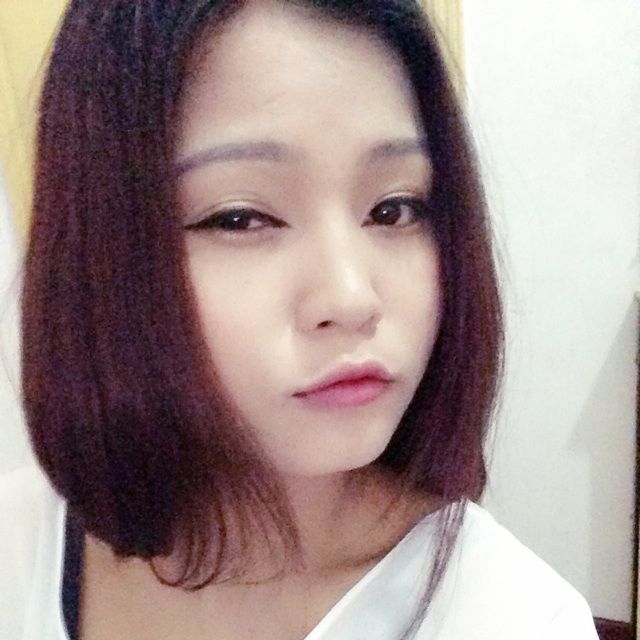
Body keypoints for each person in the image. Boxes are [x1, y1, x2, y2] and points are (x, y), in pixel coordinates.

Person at [0, 1, 599, 638]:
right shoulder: (18, 545)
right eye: (240, 218)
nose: (350, 299)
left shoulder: (518, 618)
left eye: (395, 209)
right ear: (99, 250)